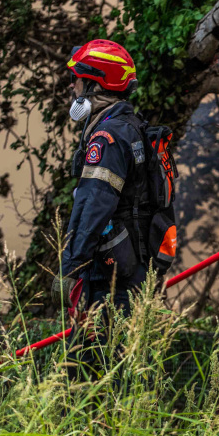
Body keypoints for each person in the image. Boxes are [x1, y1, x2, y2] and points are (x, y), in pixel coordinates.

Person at [52, 39, 166, 321]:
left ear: (96, 85)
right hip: (131, 276)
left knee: (90, 362)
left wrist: (71, 268)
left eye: (76, 79)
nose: (72, 86)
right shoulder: (131, 127)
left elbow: (94, 206)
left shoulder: (107, 139)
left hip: (110, 285)